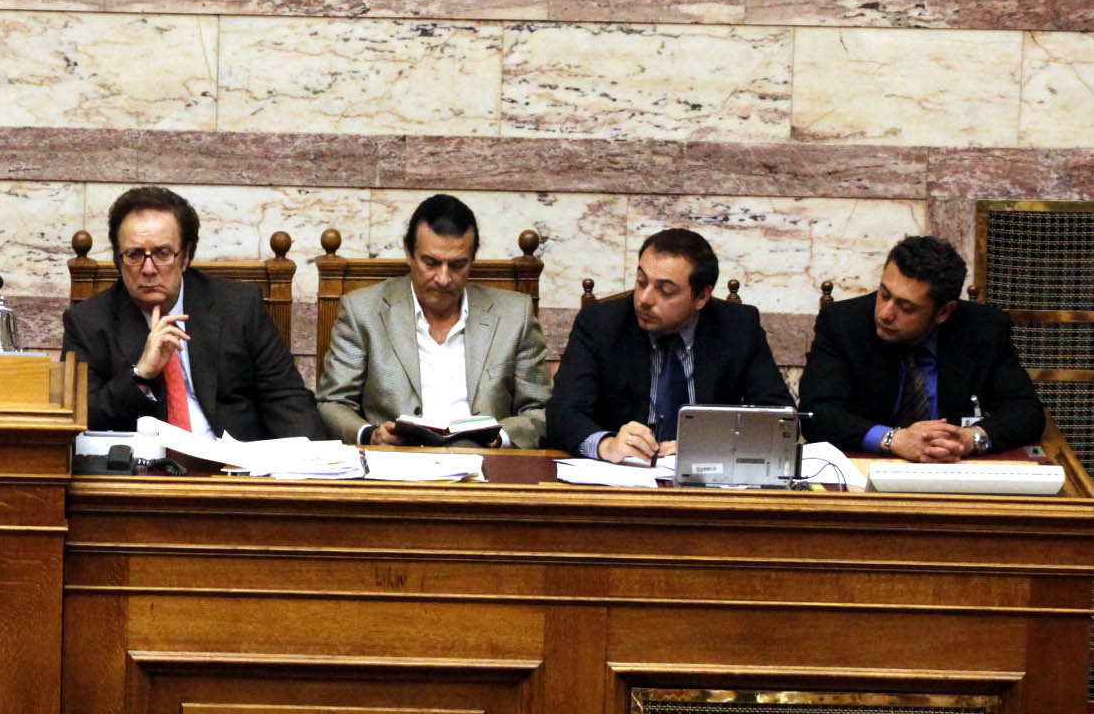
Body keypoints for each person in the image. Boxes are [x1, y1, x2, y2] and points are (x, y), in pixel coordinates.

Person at [63, 185, 318, 438]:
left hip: (232, 458)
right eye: (134, 254)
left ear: (186, 256)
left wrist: (314, 459)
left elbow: (286, 398)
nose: (149, 269)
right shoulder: (87, 322)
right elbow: (79, 418)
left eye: (163, 253)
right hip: (143, 461)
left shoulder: (239, 306)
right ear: (118, 261)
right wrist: (141, 375)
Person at [315, 194, 550, 447]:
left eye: (457, 265)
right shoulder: (363, 311)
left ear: (472, 259)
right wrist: (370, 435)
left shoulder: (515, 315)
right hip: (395, 462)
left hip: (486, 462)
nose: (443, 278)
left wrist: (500, 437)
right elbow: (332, 403)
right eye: (431, 263)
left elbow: (540, 409)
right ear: (408, 252)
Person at [545, 227, 790, 461]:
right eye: (641, 282)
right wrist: (606, 444)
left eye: (665, 290)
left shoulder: (738, 328)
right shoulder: (600, 325)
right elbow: (563, 414)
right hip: (624, 474)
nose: (644, 299)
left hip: (707, 475)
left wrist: (711, 445)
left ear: (702, 297)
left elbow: (780, 417)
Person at [799, 234, 1043, 461]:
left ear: (944, 312)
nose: (885, 314)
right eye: (884, 294)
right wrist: (893, 439)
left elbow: (1026, 412)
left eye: (906, 307)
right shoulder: (843, 324)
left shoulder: (984, 328)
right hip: (868, 469)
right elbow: (817, 414)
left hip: (954, 470)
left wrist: (970, 439)